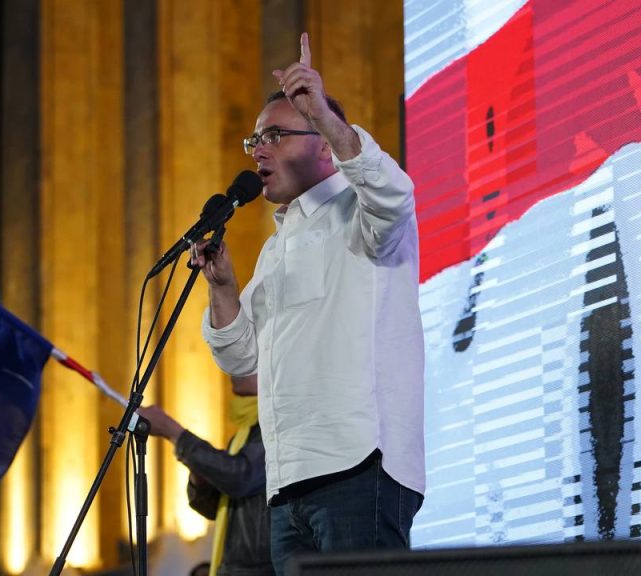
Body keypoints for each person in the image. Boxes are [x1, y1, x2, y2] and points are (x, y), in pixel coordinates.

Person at [192, 33, 424, 574]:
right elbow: (241, 362)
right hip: (288, 483)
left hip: (359, 467)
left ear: (322, 144)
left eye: (274, 134)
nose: (259, 151)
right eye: (254, 141)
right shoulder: (275, 250)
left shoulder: (361, 211)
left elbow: (393, 194)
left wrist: (321, 110)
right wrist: (223, 288)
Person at [138, 374, 273, 576]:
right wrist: (200, 478)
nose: (233, 370)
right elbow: (217, 508)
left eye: (246, 358)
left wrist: (172, 430)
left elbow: (240, 477)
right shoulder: (246, 430)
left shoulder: (278, 426)